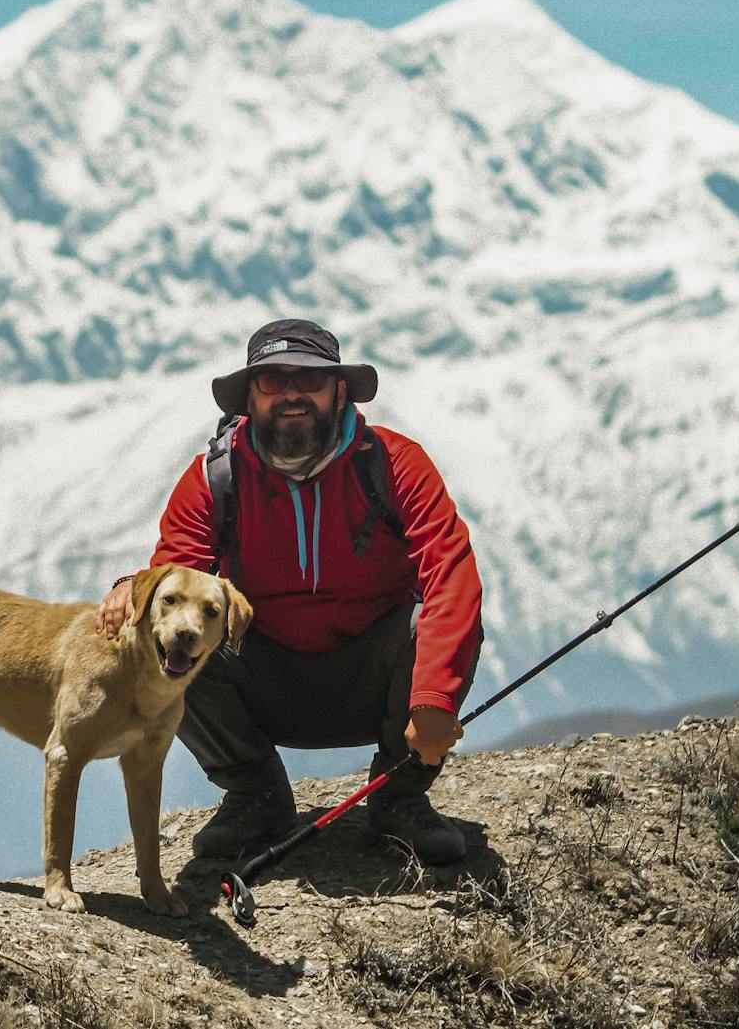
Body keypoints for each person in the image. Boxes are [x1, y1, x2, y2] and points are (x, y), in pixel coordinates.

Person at [96, 319, 484, 864]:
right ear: (250, 397)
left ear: (339, 390)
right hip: (263, 679)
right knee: (167, 640)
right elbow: (173, 578)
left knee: (434, 626)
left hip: (376, 680)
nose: (292, 394)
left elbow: (451, 575)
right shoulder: (215, 480)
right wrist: (131, 589)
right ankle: (255, 795)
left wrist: (435, 699)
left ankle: (399, 798)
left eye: (310, 379)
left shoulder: (396, 465)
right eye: (273, 381)